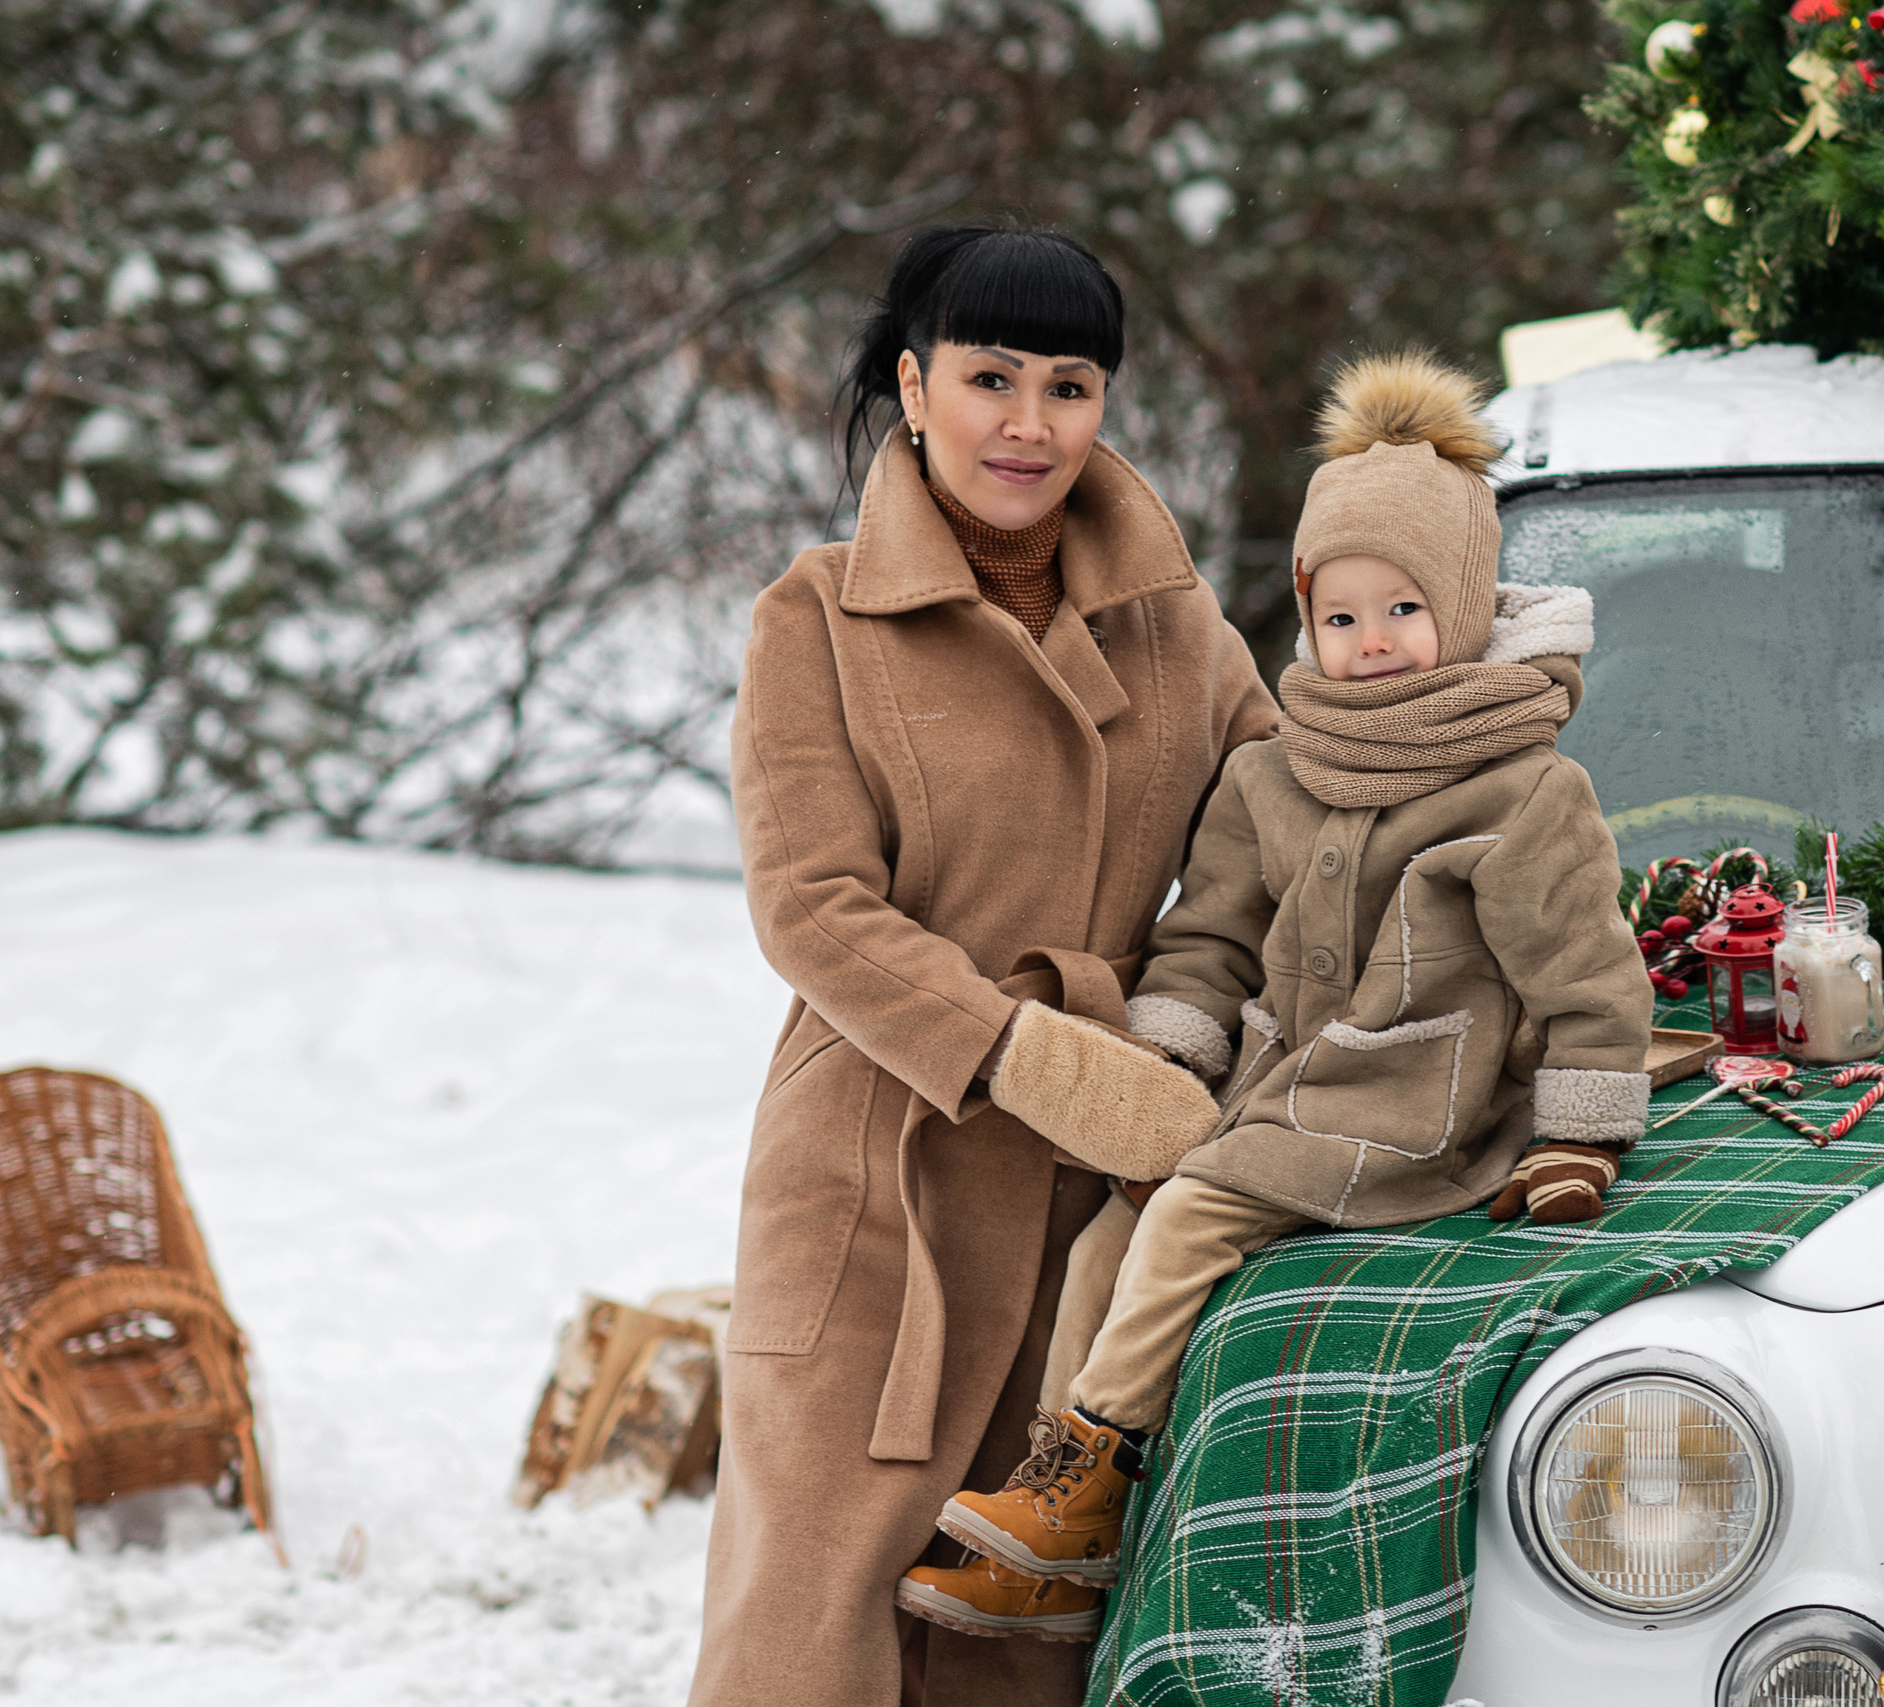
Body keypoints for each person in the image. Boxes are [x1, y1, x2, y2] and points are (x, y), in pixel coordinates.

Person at [896, 351, 1655, 1628]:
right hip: (1279, 1101)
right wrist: (1165, 1065)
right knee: (1112, 1231)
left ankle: (1086, 1472)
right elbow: (1210, 942)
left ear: (1464, 609)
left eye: (1404, 612)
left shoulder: (1519, 789)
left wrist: (1578, 1134)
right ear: (1307, 617)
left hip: (1419, 1107)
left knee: (1191, 1214)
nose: (1371, 647)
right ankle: (1067, 1508)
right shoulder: (1273, 772)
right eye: (1341, 618)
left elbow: (1585, 972)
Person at [689, 224, 1276, 1707]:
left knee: (1015, 1629)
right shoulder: (815, 618)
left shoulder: (1181, 626)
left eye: (1070, 385)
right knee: (810, 1615)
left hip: (1098, 1198)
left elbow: (1285, 841)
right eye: (990, 377)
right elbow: (814, 907)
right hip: (880, 1163)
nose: (1029, 424)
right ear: (913, 382)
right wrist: (1029, 1056)